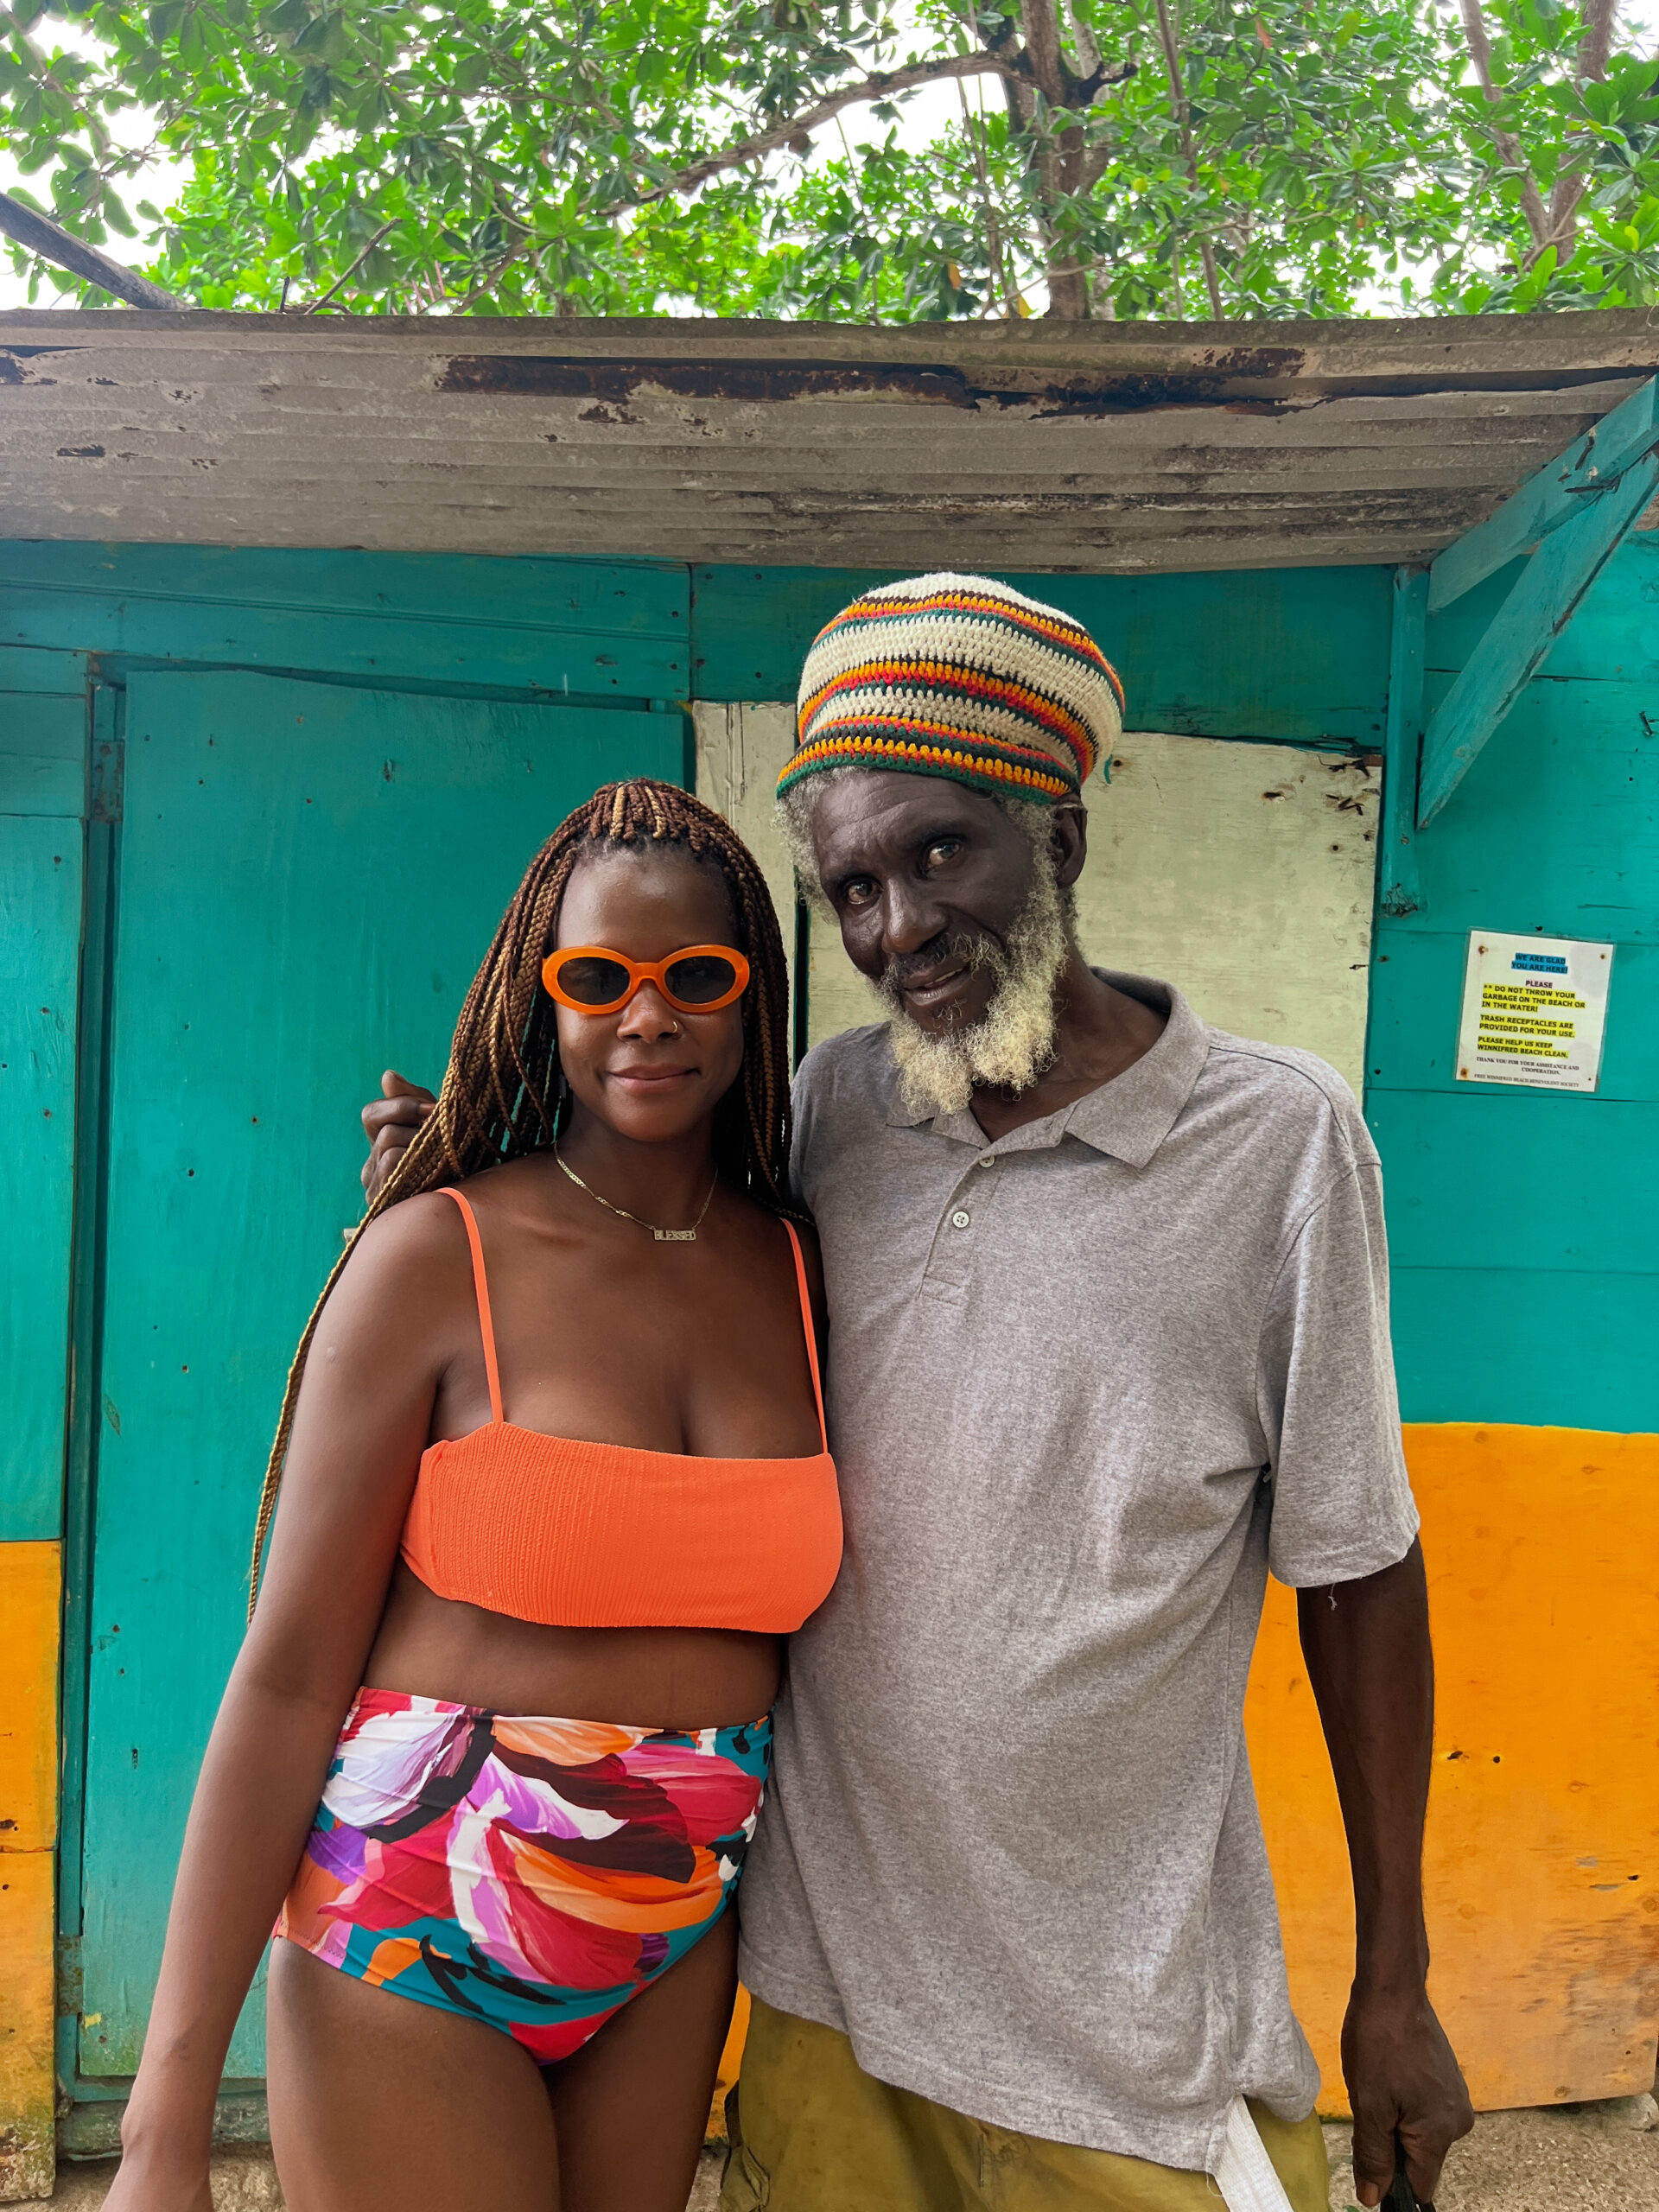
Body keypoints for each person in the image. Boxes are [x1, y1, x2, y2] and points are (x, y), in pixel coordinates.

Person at [364, 576, 1475, 2212]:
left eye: (942, 852)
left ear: (1063, 838)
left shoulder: (1282, 1145)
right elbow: (640, 1250)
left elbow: (1360, 1570)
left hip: (1131, 2046)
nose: (898, 929)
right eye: (853, 888)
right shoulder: (830, 1114)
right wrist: (450, 1194)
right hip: (827, 2009)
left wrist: (1396, 1979)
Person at [109, 781, 842, 2212]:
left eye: (698, 976)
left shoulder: (803, 1269)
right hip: (416, 1924)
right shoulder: (434, 1254)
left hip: (673, 1940)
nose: (649, 1015)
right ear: (540, 995)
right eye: (598, 979)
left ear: (752, 996)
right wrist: (165, 2123)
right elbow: (285, 1676)